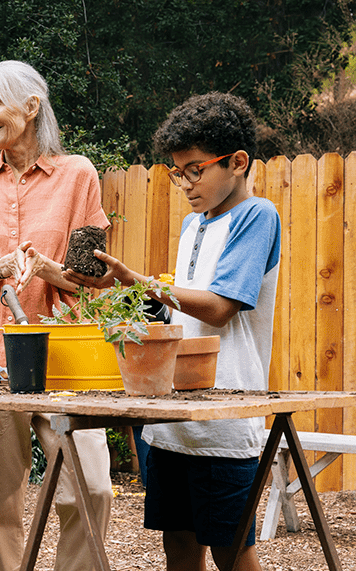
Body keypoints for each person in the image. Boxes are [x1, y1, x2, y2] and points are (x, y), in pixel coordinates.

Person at [64, 92, 281, 571]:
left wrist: (136, 280)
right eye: (176, 172)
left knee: (231, 551)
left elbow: (221, 308)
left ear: (238, 162)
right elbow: (180, 312)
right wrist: (121, 295)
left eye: (195, 169)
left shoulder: (257, 216)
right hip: (172, 418)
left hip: (226, 418)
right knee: (178, 545)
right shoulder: (191, 225)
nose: (184, 182)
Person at [0, 60, 113, 571]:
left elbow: (93, 277)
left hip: (64, 355)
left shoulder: (79, 174)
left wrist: (45, 266)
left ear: (31, 106)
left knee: (92, 487)